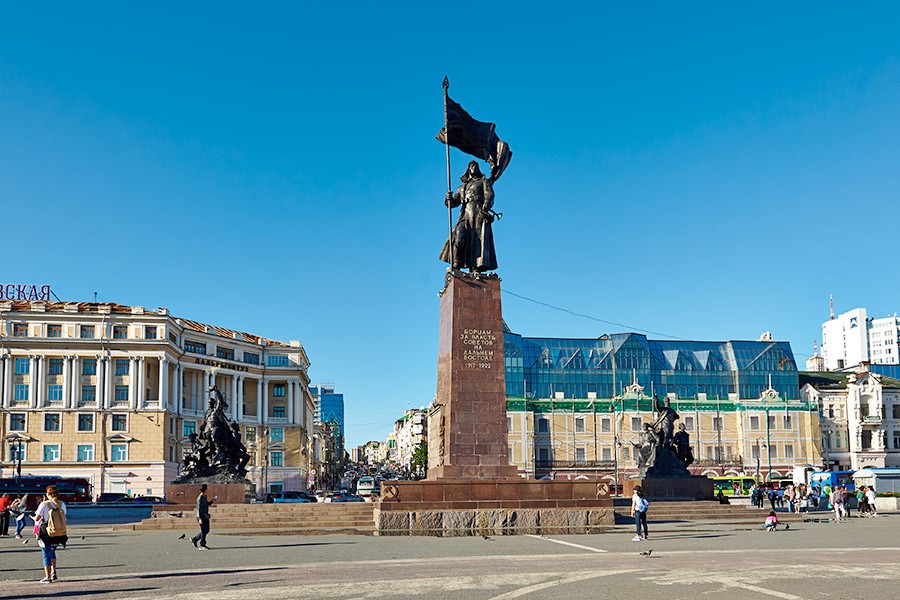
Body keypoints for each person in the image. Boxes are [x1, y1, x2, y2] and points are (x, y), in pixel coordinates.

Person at [439, 161, 498, 273]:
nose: (473, 167)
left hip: (478, 213)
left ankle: (476, 266)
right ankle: (456, 264)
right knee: (459, 236)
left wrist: (486, 206)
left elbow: (489, 194)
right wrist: (448, 199)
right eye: (471, 166)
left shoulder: (483, 181)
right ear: (468, 170)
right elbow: (453, 203)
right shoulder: (462, 187)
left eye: (475, 166)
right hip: (466, 214)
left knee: (477, 239)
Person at [34, 485, 68, 583]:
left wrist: (34, 518)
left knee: (46, 554)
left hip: (46, 532)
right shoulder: (62, 504)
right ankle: (54, 572)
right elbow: (63, 516)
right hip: (58, 532)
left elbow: (37, 518)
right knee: (52, 552)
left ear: (48, 494)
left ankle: (47, 577)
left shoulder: (44, 504)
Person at [190, 484, 216, 550]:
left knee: (206, 530)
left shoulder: (204, 496)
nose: (208, 490)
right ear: (205, 490)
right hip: (201, 516)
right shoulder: (200, 498)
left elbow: (206, 504)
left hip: (205, 515)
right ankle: (202, 545)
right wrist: (200, 519)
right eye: (207, 489)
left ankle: (195, 539)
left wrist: (212, 500)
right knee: (204, 531)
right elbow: (198, 509)